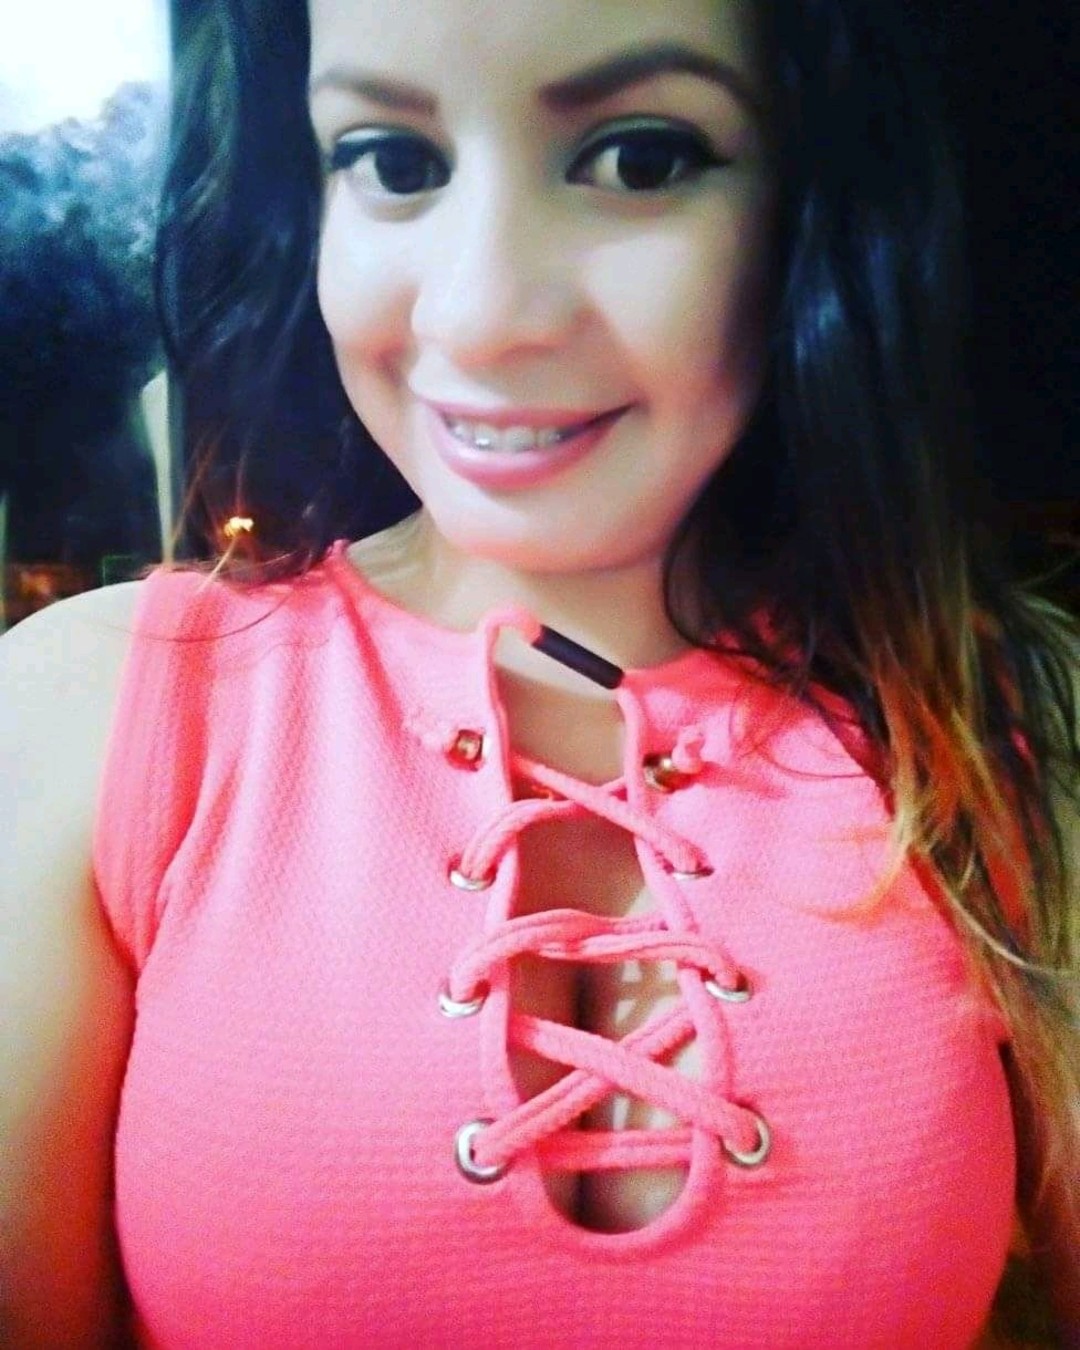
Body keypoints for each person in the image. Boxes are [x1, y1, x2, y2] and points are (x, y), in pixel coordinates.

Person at [1, 0, 1077, 1345]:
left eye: (640, 157)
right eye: (393, 161)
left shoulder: (1007, 729)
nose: (482, 313)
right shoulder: (91, 719)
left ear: (814, 199)